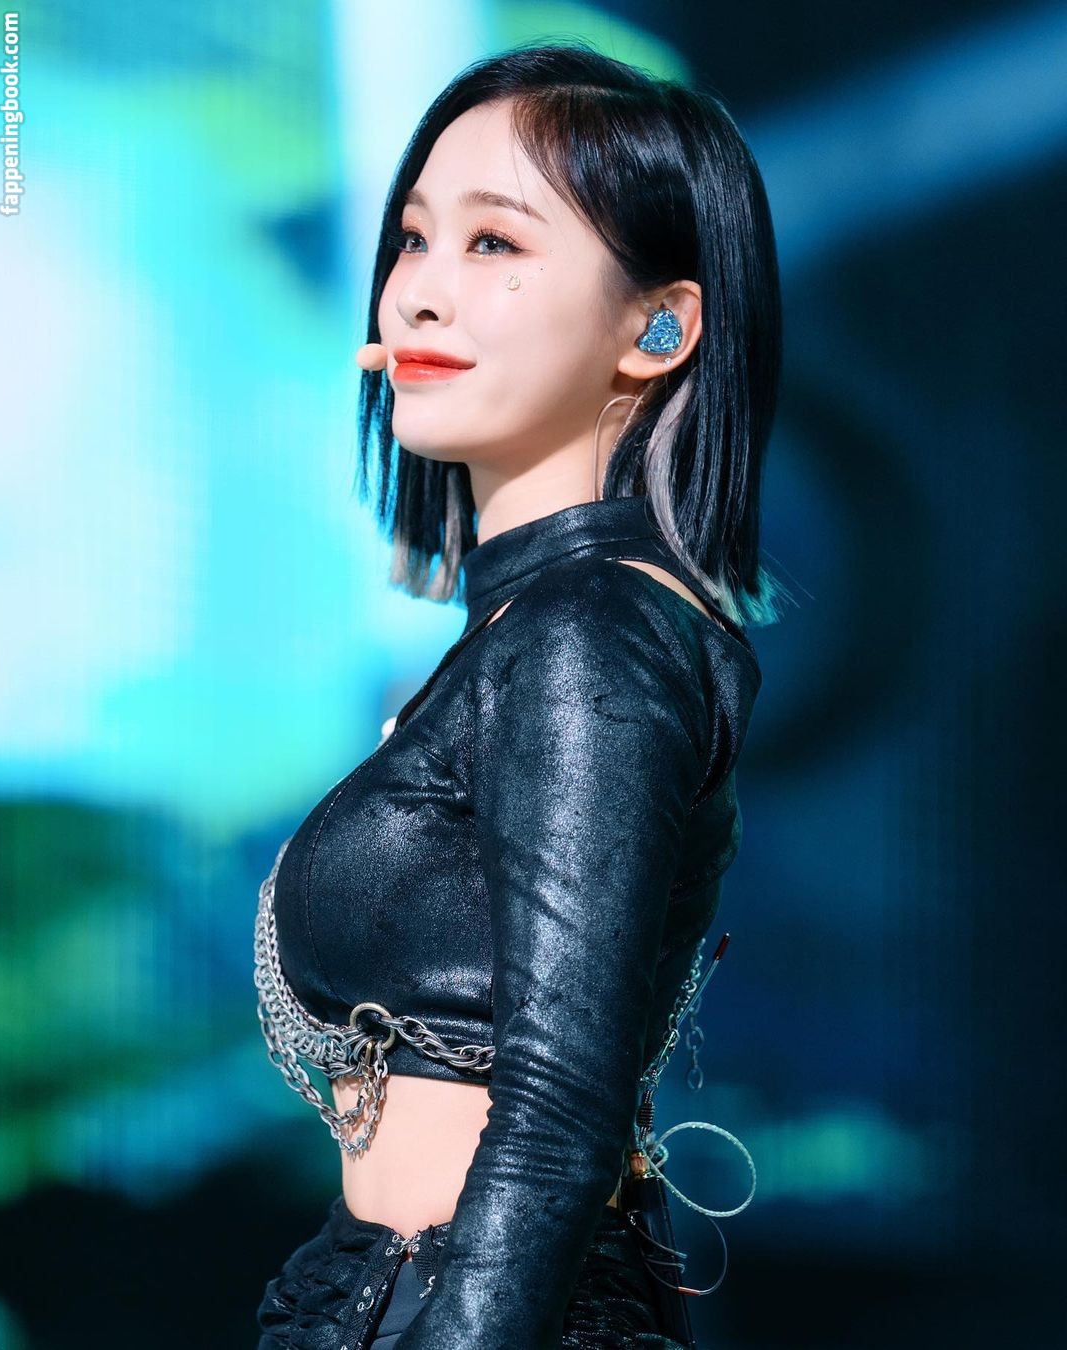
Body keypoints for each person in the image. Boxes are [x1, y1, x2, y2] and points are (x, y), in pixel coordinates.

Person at [254, 41, 786, 1350]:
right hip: (390, 1291)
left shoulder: (593, 633)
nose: (421, 293)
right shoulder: (527, 625)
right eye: (414, 238)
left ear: (658, 327)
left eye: (494, 243)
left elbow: (557, 1116)